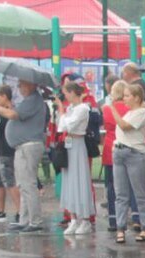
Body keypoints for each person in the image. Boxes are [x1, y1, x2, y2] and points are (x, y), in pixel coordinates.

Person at [0, 79, 48, 233]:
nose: (19, 87)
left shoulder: (34, 99)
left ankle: (35, 221)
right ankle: (24, 219)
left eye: (22, 84)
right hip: (21, 146)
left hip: (29, 145)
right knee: (22, 184)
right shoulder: (28, 100)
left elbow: (13, 115)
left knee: (28, 184)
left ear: (31, 85)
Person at [108, 82, 145, 244]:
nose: (124, 99)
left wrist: (112, 108)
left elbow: (125, 127)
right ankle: (120, 228)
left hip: (135, 153)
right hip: (119, 152)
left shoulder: (141, 112)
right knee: (121, 194)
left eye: (127, 96)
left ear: (137, 98)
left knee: (140, 193)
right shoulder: (129, 112)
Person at [55, 80, 96, 236]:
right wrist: (63, 114)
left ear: (72, 93)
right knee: (69, 180)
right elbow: (61, 125)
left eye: (66, 93)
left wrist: (62, 112)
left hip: (78, 144)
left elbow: (67, 125)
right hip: (69, 144)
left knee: (80, 180)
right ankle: (73, 218)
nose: (65, 96)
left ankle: (85, 219)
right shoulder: (71, 108)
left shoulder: (83, 108)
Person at [102, 80, 139, 232]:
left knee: (112, 186)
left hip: (110, 148)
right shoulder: (130, 109)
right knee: (132, 185)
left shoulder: (106, 109)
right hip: (129, 147)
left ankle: (113, 219)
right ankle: (136, 217)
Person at [0, 85, 19, 222]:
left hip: (7, 151)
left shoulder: (8, 111)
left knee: (10, 182)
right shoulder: (2, 112)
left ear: (4, 97)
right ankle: (0, 211)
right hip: (0, 150)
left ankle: (20, 210)